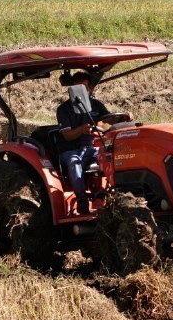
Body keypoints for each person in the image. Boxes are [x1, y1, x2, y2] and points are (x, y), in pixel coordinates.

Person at [55, 71, 129, 214]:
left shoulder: (95, 104)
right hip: (70, 150)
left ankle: (106, 194)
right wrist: (82, 130)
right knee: (74, 162)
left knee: (109, 156)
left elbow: (108, 118)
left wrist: (123, 117)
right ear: (72, 88)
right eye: (80, 87)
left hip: (90, 148)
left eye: (86, 87)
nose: (84, 90)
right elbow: (67, 136)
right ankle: (82, 200)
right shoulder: (63, 109)